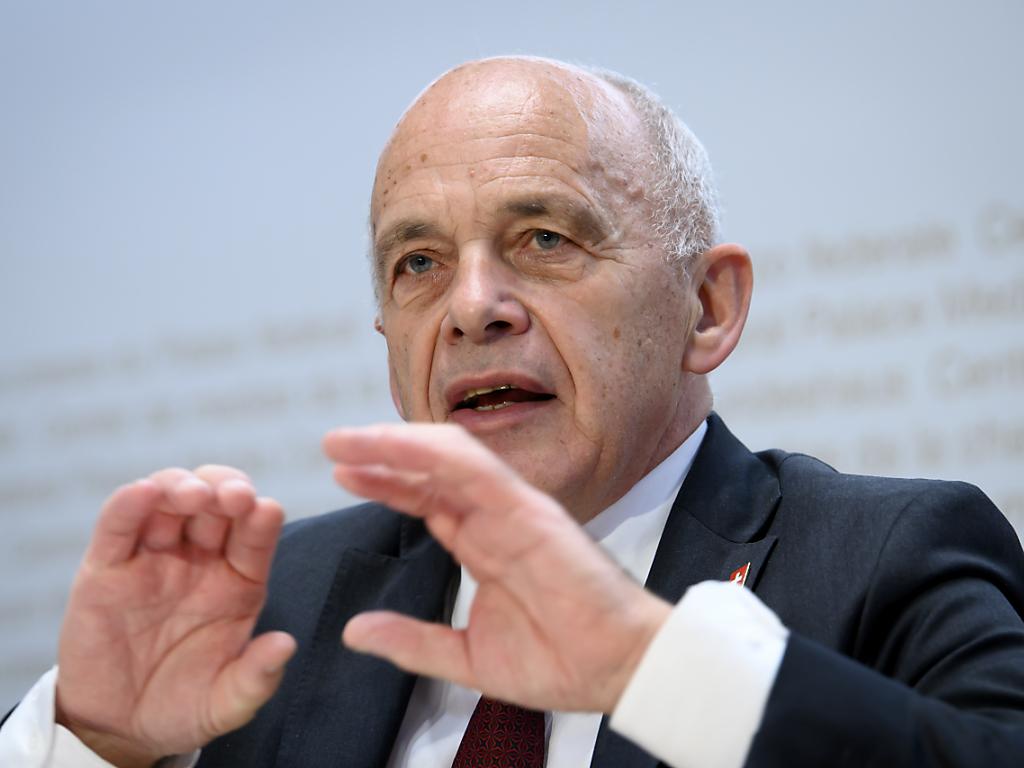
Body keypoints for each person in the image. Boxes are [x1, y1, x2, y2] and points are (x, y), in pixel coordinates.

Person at [3, 56, 1024, 768]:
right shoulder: (276, 605)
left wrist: (650, 665)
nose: (471, 307)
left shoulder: (888, 559)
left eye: (544, 239)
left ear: (707, 308)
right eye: (418, 264)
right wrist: (98, 741)